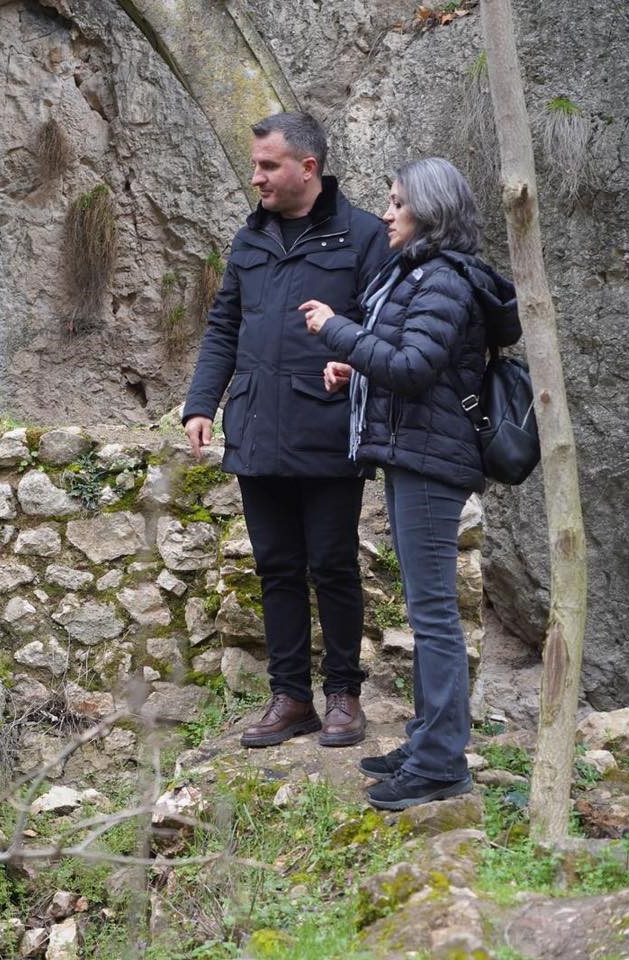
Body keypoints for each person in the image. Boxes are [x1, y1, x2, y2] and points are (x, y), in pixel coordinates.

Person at [300, 156, 519, 810]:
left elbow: (415, 368)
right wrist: (355, 369)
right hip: (414, 453)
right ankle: (427, 738)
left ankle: (441, 762)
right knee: (428, 613)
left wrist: (337, 331)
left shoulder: (444, 280)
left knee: (434, 615)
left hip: (431, 462)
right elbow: (410, 365)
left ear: (430, 211)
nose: (387, 213)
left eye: (398, 203)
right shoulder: (421, 274)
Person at [182, 112, 391, 749]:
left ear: (308, 167)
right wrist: (201, 403)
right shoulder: (249, 239)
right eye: (255, 165)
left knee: (332, 565)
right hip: (255, 425)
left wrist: (353, 368)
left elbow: (385, 329)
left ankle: (343, 696)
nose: (257, 178)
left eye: (268, 165)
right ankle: (291, 697)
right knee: (275, 566)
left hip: (327, 426)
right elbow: (224, 327)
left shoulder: (363, 236)